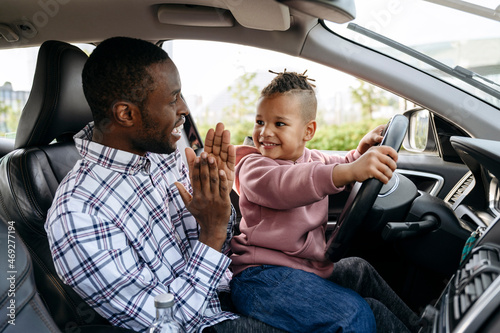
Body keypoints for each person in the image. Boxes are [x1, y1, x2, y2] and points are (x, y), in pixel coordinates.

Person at [45, 37, 286, 333]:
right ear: (126, 114)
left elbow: (216, 249)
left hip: (233, 291)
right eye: (173, 99)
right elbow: (166, 324)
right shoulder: (78, 214)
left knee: (357, 277)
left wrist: (221, 203)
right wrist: (211, 233)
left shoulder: (161, 157)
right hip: (203, 325)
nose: (184, 108)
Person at [229, 70, 421, 332]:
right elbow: (287, 184)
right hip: (260, 277)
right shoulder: (254, 167)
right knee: (353, 315)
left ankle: (421, 327)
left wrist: (358, 154)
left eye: (279, 123)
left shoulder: (313, 159)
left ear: (308, 130)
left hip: (302, 269)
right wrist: (349, 171)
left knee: (359, 270)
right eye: (260, 121)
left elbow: (337, 165)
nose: (265, 132)